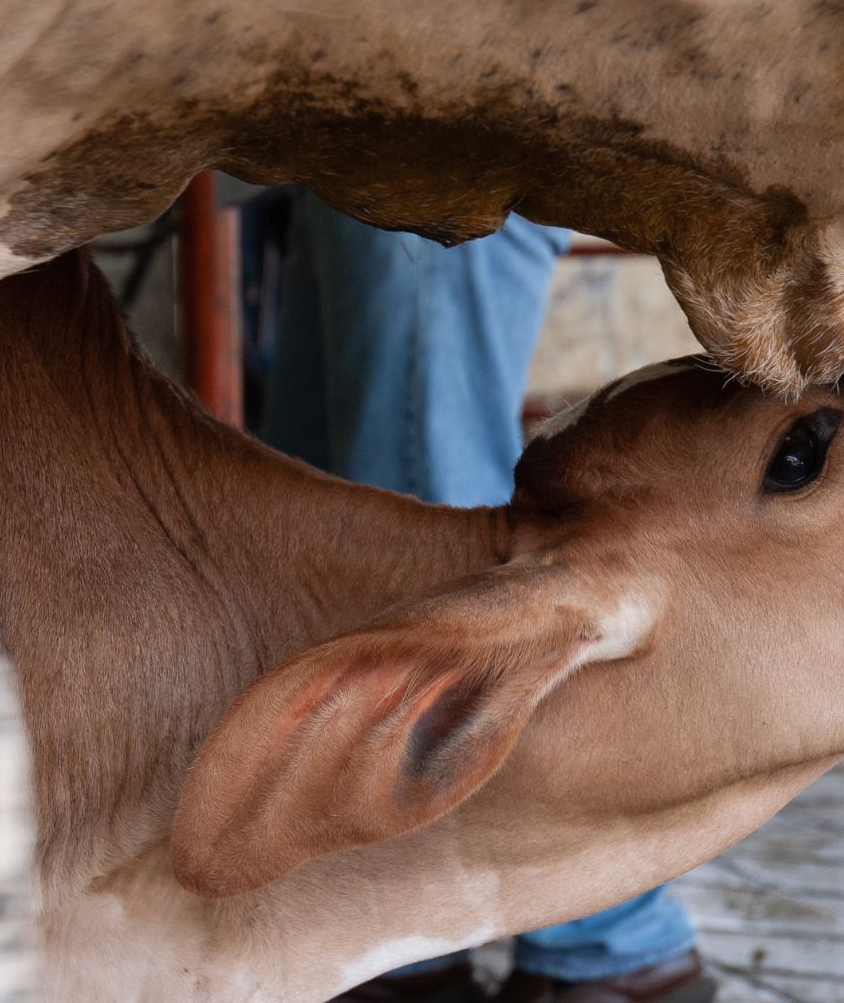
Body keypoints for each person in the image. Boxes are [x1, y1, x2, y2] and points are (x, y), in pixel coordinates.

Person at [243, 187, 716, 1003]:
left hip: (417, 153)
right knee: (320, 537)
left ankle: (605, 927)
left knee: (431, 560)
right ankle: (406, 937)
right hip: (343, 159)